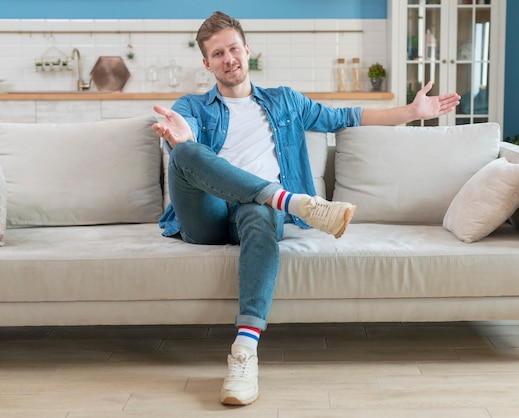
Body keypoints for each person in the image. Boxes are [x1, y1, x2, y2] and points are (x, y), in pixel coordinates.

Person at [152, 11, 460, 407]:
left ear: (247, 50)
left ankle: (244, 354)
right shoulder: (192, 105)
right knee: (185, 151)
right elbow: (185, 141)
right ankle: (291, 200)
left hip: (257, 214)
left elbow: (346, 116)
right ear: (206, 63)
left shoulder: (285, 102)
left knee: (260, 209)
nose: (228, 58)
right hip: (206, 214)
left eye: (233, 48)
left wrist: (412, 113)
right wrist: (182, 139)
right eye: (217, 54)